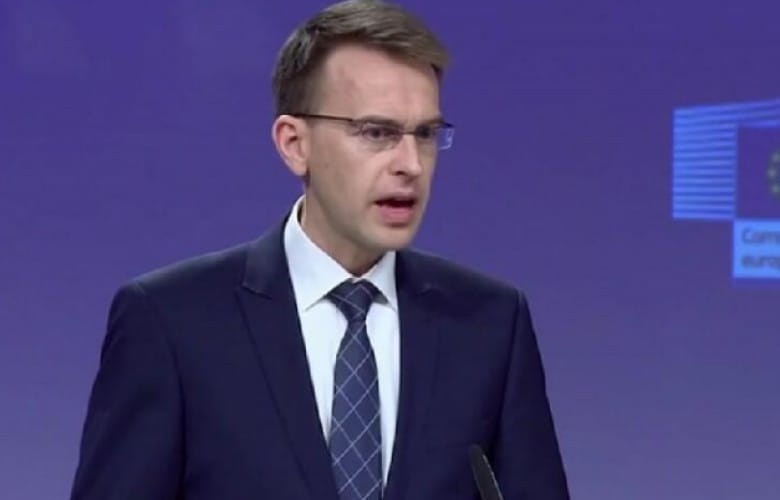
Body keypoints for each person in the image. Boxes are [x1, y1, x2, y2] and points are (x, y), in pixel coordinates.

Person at [69, 1, 570, 499]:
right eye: (377, 132)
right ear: (294, 144)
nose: (411, 164)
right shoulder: (172, 321)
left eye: (425, 134)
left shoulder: (490, 323)